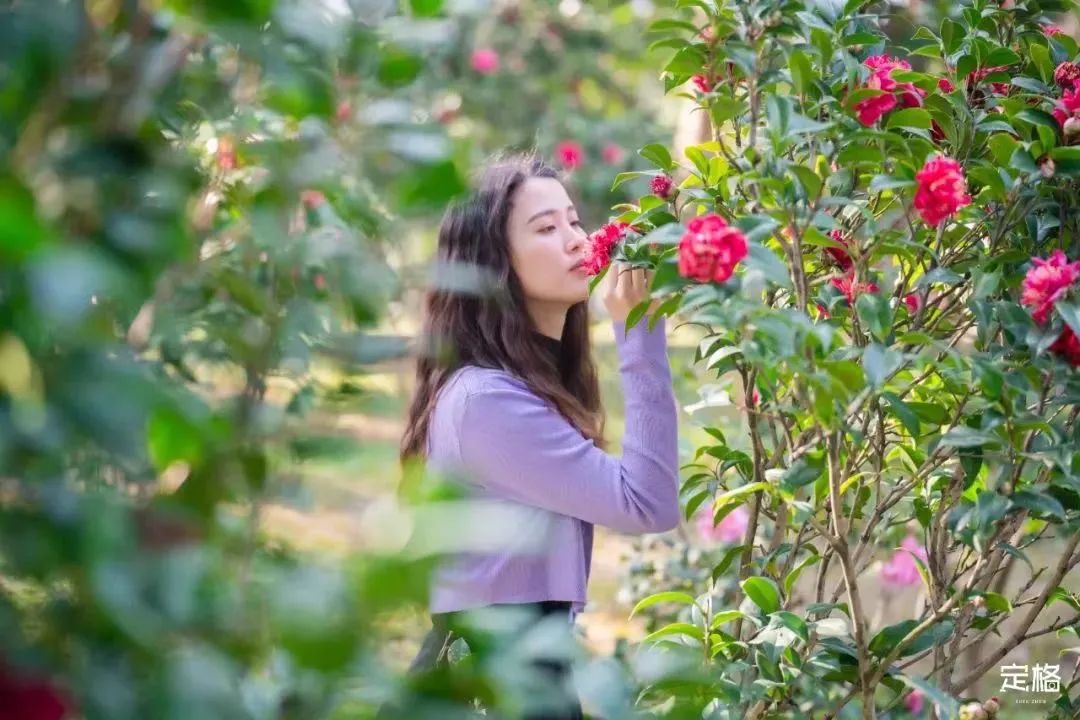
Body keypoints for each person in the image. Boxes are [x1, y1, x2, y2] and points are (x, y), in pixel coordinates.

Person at [391, 151, 680, 719]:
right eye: (546, 228)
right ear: (496, 266)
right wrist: (639, 332)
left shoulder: (522, 386)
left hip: (525, 675)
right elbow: (648, 503)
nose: (576, 239)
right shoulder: (485, 401)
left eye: (573, 220)